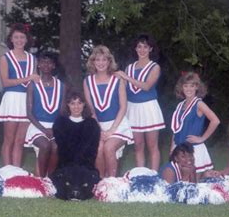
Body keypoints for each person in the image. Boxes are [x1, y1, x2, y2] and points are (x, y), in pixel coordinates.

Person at [116, 34, 164, 170]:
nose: (142, 50)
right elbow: (122, 88)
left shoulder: (155, 67)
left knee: (152, 146)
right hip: (133, 108)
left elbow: (147, 86)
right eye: (139, 47)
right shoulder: (129, 68)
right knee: (138, 146)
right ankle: (140, 175)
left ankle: (154, 177)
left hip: (148, 107)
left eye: (145, 47)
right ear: (135, 49)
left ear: (150, 49)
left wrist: (126, 77)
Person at [84, 45, 133, 178]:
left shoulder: (118, 79)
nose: (101, 63)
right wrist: (100, 130)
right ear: (93, 62)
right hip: (98, 125)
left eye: (104, 60)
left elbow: (123, 107)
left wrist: (111, 130)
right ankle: (101, 181)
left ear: (109, 61)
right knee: (99, 148)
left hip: (118, 124)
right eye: (97, 60)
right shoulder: (87, 81)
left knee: (108, 148)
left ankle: (112, 183)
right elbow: (91, 110)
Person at [0, 23, 40, 167]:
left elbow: (34, 82)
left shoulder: (32, 59)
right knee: (9, 139)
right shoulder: (5, 58)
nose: (19, 40)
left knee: (20, 140)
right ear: (11, 39)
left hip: (26, 100)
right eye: (16, 37)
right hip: (12, 99)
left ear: (27, 40)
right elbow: (6, 82)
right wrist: (27, 78)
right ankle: (8, 171)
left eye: (22, 37)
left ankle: (16, 171)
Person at [170, 72, 220, 178]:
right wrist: (172, 148)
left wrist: (202, 138)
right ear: (181, 87)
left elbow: (215, 120)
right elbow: (176, 129)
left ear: (197, 87)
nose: (188, 89)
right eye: (186, 86)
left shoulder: (199, 104)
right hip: (179, 148)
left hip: (194, 149)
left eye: (192, 86)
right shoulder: (180, 105)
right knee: (179, 182)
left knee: (192, 184)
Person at [25, 52, 64, 177]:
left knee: (56, 146)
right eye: (43, 62)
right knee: (45, 145)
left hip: (55, 126)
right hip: (37, 125)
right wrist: (43, 129)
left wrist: (54, 128)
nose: (46, 65)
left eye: (49, 62)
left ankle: (50, 179)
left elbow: (62, 112)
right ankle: (41, 179)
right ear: (39, 65)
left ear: (54, 65)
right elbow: (29, 113)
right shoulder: (32, 85)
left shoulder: (61, 86)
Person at [53, 89, 101, 171]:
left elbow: (92, 149)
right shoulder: (60, 123)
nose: (76, 107)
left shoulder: (92, 124)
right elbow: (62, 147)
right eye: (73, 103)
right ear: (68, 104)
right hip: (65, 165)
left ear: (84, 104)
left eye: (79, 103)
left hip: (86, 166)